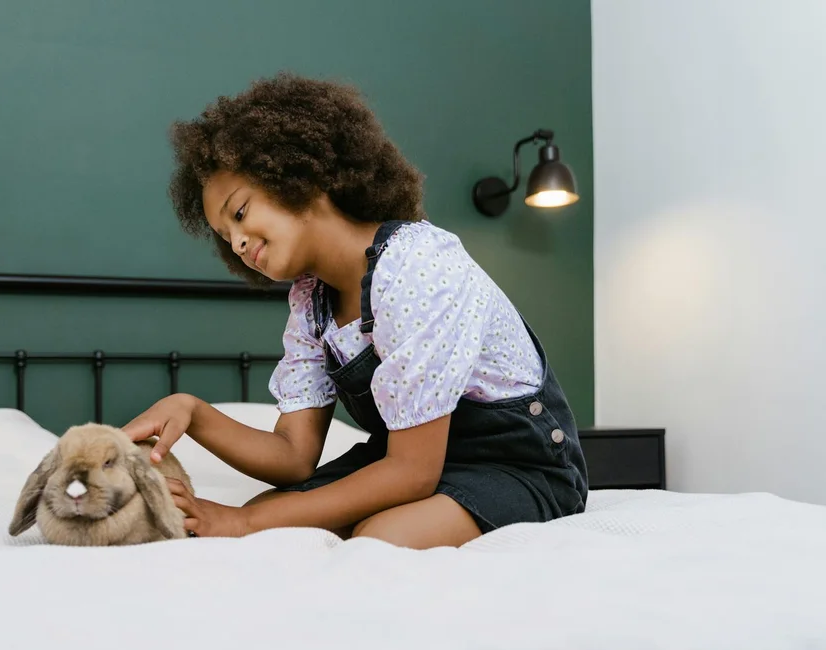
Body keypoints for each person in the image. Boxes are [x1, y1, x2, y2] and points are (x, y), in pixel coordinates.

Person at [122, 73, 588, 549]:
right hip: (407, 460)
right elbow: (294, 457)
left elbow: (412, 472)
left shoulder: (416, 267)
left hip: (515, 464)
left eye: (239, 213)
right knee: (264, 516)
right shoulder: (313, 304)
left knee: (380, 536)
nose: (238, 242)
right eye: (225, 238)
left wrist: (242, 524)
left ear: (297, 176)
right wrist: (193, 413)